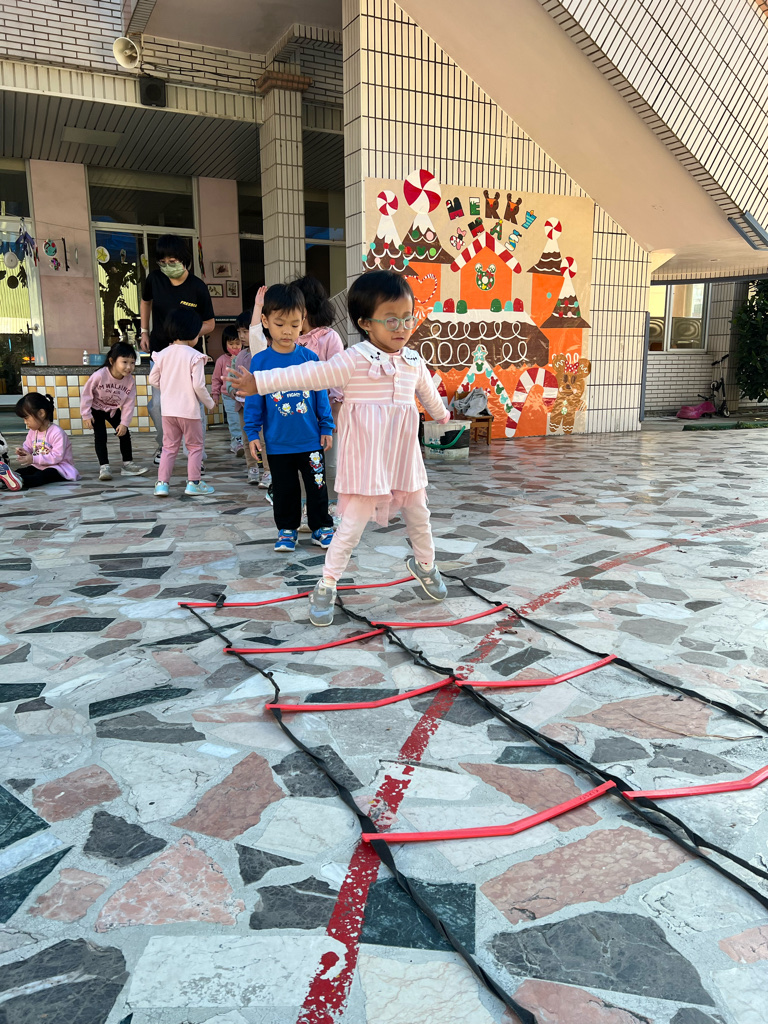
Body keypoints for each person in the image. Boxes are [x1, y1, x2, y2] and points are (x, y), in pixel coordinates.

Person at [230, 270, 450, 626]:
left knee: (419, 516)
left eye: (408, 318)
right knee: (350, 528)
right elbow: (309, 375)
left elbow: (429, 395)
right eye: (391, 319)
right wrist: (260, 382)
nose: (402, 327)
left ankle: (425, 565)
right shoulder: (354, 359)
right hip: (367, 462)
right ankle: (327, 583)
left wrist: (443, 415)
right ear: (365, 323)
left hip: (404, 459)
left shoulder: (413, 361)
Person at [243, 283, 335, 552]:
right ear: (265, 321)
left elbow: (321, 394)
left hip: (310, 441)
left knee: (317, 486)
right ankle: (287, 530)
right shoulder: (260, 362)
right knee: (285, 490)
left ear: (303, 321)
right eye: (280, 324)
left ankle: (321, 527)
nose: (287, 331)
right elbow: (253, 401)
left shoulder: (310, 358)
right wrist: (252, 433)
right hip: (278, 444)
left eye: (294, 325)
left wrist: (326, 426)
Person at [139, 234, 215, 463]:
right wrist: (144, 331)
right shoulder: (154, 279)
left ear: (184, 259)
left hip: (189, 356)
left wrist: (191, 333)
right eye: (162, 262)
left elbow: (210, 323)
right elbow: (145, 301)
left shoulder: (197, 287)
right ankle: (165, 445)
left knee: (193, 404)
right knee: (159, 404)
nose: (167, 266)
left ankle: (196, 453)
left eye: (172, 262)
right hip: (161, 351)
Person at [149, 309, 215, 497]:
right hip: (189, 412)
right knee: (195, 447)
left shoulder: (162, 354)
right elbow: (199, 386)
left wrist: (169, 388)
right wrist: (210, 403)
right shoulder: (195, 356)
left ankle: (162, 484)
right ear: (192, 332)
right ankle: (194, 483)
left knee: (169, 448)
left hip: (168, 412)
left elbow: (153, 380)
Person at [295, 275, 345, 522]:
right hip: (298, 415)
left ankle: (332, 505)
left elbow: (337, 377)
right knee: (304, 463)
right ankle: (308, 505)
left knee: (330, 462)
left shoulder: (329, 337)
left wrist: (334, 412)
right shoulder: (290, 339)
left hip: (325, 413)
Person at [80, 341, 148, 481]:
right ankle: (104, 467)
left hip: (113, 409)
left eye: (132, 363)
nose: (129, 367)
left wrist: (124, 423)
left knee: (124, 434)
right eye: (124, 362)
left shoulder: (129, 381)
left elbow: (129, 403)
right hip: (96, 409)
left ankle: (128, 464)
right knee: (100, 436)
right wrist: (86, 414)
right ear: (112, 361)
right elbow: (86, 394)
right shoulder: (100, 375)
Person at [0, 392, 80, 491]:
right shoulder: (33, 432)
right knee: (23, 470)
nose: (25, 422)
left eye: (26, 418)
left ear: (41, 413)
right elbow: (28, 446)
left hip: (59, 468)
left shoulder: (57, 433)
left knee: (42, 475)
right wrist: (23, 452)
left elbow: (57, 457)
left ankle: (21, 481)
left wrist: (33, 459)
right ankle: (7, 480)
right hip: (39, 465)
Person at [211, 325, 244, 457]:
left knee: (245, 420)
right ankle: (236, 442)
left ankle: (246, 442)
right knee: (234, 420)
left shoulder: (245, 357)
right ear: (225, 344)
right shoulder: (221, 361)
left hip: (243, 395)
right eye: (231, 344)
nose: (235, 347)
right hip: (228, 397)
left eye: (238, 343)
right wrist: (215, 395)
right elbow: (216, 379)